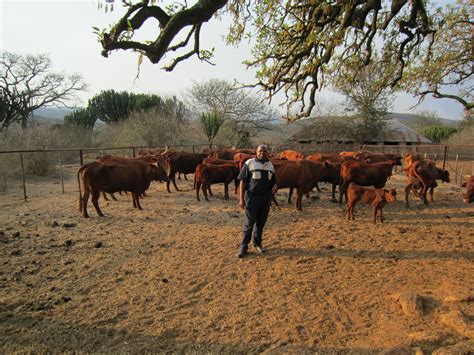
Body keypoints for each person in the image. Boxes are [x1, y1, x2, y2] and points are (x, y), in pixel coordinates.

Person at [237, 144, 278, 258]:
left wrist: (274, 186)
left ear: (267, 153)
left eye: (264, 151)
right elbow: (242, 182)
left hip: (265, 198)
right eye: (260, 151)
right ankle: (243, 247)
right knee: (249, 224)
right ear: (256, 152)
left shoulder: (270, 165)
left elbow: (273, 181)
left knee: (260, 223)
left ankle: (258, 244)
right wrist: (241, 199)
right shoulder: (249, 163)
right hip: (252, 197)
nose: (262, 153)